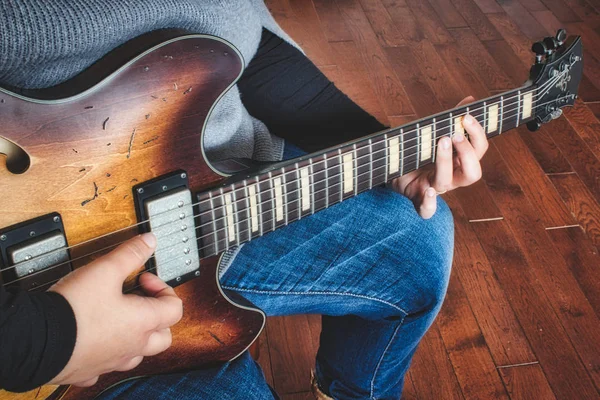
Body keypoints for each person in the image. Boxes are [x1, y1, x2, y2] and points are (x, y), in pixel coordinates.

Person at [0, 1, 488, 399]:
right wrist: (41, 341)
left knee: (418, 238)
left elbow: (243, 37)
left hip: (210, 180)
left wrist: (387, 152)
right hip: (38, 305)